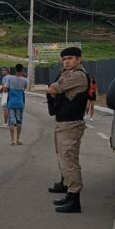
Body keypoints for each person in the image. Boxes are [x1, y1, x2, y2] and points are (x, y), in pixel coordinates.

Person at [47, 47, 89, 214]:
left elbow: (53, 89)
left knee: (69, 162)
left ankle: (74, 199)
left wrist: (54, 88)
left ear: (79, 59)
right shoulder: (67, 73)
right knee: (64, 159)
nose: (66, 61)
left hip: (71, 125)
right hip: (63, 123)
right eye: (64, 59)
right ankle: (68, 191)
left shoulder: (78, 76)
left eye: (70, 58)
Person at [3, 63, 28, 145]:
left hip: (11, 103)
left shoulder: (10, 78)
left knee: (11, 122)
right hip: (20, 103)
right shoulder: (25, 80)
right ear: (22, 70)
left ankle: (12, 140)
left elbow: (5, 90)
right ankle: (18, 139)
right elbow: (25, 88)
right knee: (19, 122)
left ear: (15, 69)